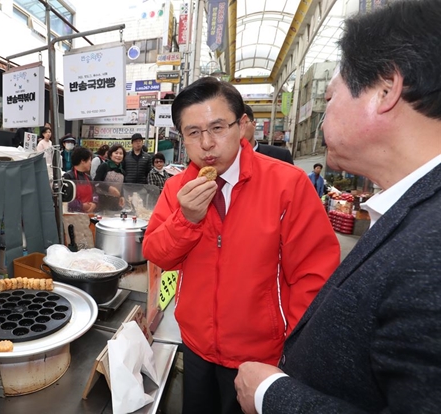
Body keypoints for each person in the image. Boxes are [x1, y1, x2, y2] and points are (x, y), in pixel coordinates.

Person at [235, 1, 441, 412]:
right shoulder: (413, 212)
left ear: (386, 88)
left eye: (331, 95)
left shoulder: (432, 249)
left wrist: (273, 395)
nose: (326, 108)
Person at [142, 77, 340, 414]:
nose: (207, 144)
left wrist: (293, 351)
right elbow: (157, 253)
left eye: (217, 127)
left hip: (261, 355)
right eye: (193, 133)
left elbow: (313, 276)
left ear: (243, 125)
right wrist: (186, 219)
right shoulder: (178, 188)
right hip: (197, 345)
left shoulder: (287, 184)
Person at [62, 147, 96, 213]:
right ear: (83, 161)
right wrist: (81, 205)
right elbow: (65, 200)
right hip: (73, 215)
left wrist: (94, 203)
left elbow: (95, 193)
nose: (91, 163)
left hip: (88, 214)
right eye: (89, 160)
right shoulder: (68, 176)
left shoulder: (89, 178)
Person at [94, 143, 126, 212]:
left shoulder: (122, 171)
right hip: (102, 202)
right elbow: (96, 182)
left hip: (115, 203)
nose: (118, 155)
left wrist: (122, 196)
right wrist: (109, 188)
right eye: (116, 153)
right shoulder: (104, 166)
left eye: (121, 153)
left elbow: (121, 186)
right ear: (111, 154)